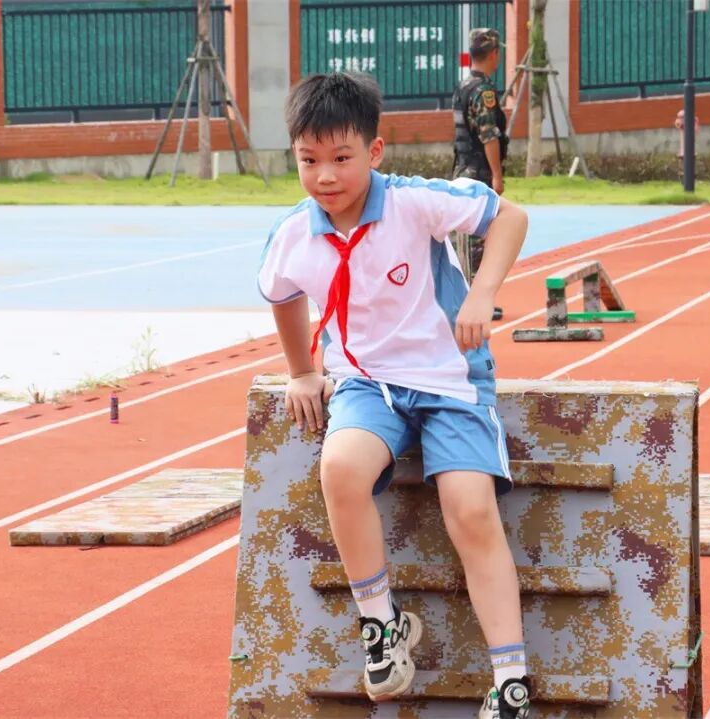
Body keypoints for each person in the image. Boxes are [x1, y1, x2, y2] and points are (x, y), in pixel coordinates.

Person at [260, 72, 533, 718]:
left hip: (448, 383)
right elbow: (283, 295)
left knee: (469, 509)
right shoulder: (294, 232)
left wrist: (482, 293)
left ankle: (510, 681)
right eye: (308, 160)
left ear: (374, 151)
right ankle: (382, 625)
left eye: (341, 157)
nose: (325, 176)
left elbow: (510, 216)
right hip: (367, 385)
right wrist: (300, 371)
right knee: (340, 469)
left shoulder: (412, 201)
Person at [452, 28, 508, 320]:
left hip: (461, 168)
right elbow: (489, 136)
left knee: (464, 238)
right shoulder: (483, 91)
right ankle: (476, 301)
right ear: (494, 54)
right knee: (479, 238)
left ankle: (466, 297)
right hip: (478, 172)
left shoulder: (463, 86)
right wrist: (497, 175)